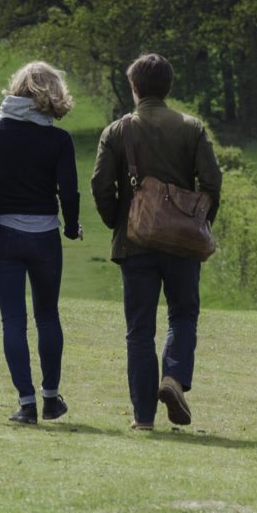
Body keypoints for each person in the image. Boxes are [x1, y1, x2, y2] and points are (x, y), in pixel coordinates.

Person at [91, 52, 221, 432]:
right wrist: (199, 224)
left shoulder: (117, 131)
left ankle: (143, 418)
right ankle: (173, 379)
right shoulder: (192, 127)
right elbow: (212, 183)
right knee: (182, 315)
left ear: (134, 88)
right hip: (182, 244)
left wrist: (120, 221)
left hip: (135, 245)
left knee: (139, 329)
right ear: (168, 87)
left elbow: (100, 186)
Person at [0, 61, 82, 425]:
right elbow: (69, 193)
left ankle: (26, 403)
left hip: (4, 238)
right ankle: (51, 399)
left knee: (12, 320)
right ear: (53, 93)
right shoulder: (58, 139)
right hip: (45, 236)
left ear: (16, 88)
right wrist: (71, 227)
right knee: (47, 316)